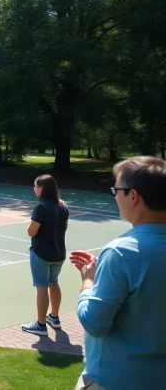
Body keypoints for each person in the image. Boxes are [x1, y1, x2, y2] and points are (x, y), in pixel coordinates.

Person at [70, 156, 166, 390]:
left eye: (116, 189)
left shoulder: (121, 252)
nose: (114, 195)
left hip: (116, 379)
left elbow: (94, 322)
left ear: (133, 196)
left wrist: (88, 280)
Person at [21, 174, 69, 336]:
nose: (34, 189)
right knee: (53, 282)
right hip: (59, 254)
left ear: (41, 189)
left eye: (35, 186)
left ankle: (41, 324)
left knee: (41, 287)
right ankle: (54, 317)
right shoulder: (63, 206)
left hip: (41, 254)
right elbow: (65, 227)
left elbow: (31, 231)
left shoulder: (41, 207)